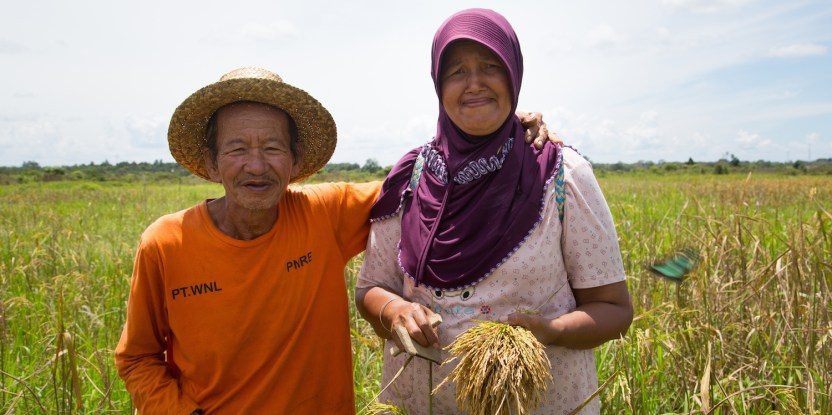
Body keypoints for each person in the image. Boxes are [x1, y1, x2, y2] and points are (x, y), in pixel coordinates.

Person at [114, 67, 558, 414]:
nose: (255, 165)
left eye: (271, 148)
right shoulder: (166, 244)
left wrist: (494, 130)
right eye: (236, 149)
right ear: (210, 164)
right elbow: (137, 359)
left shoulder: (321, 215)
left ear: (294, 162)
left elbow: (423, 187)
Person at [356, 8, 633, 415]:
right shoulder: (411, 176)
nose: (474, 84)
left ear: (512, 75)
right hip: (422, 402)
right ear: (438, 84)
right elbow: (370, 289)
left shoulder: (561, 174)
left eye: (490, 66)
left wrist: (549, 331)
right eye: (456, 72)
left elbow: (614, 310)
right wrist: (396, 310)